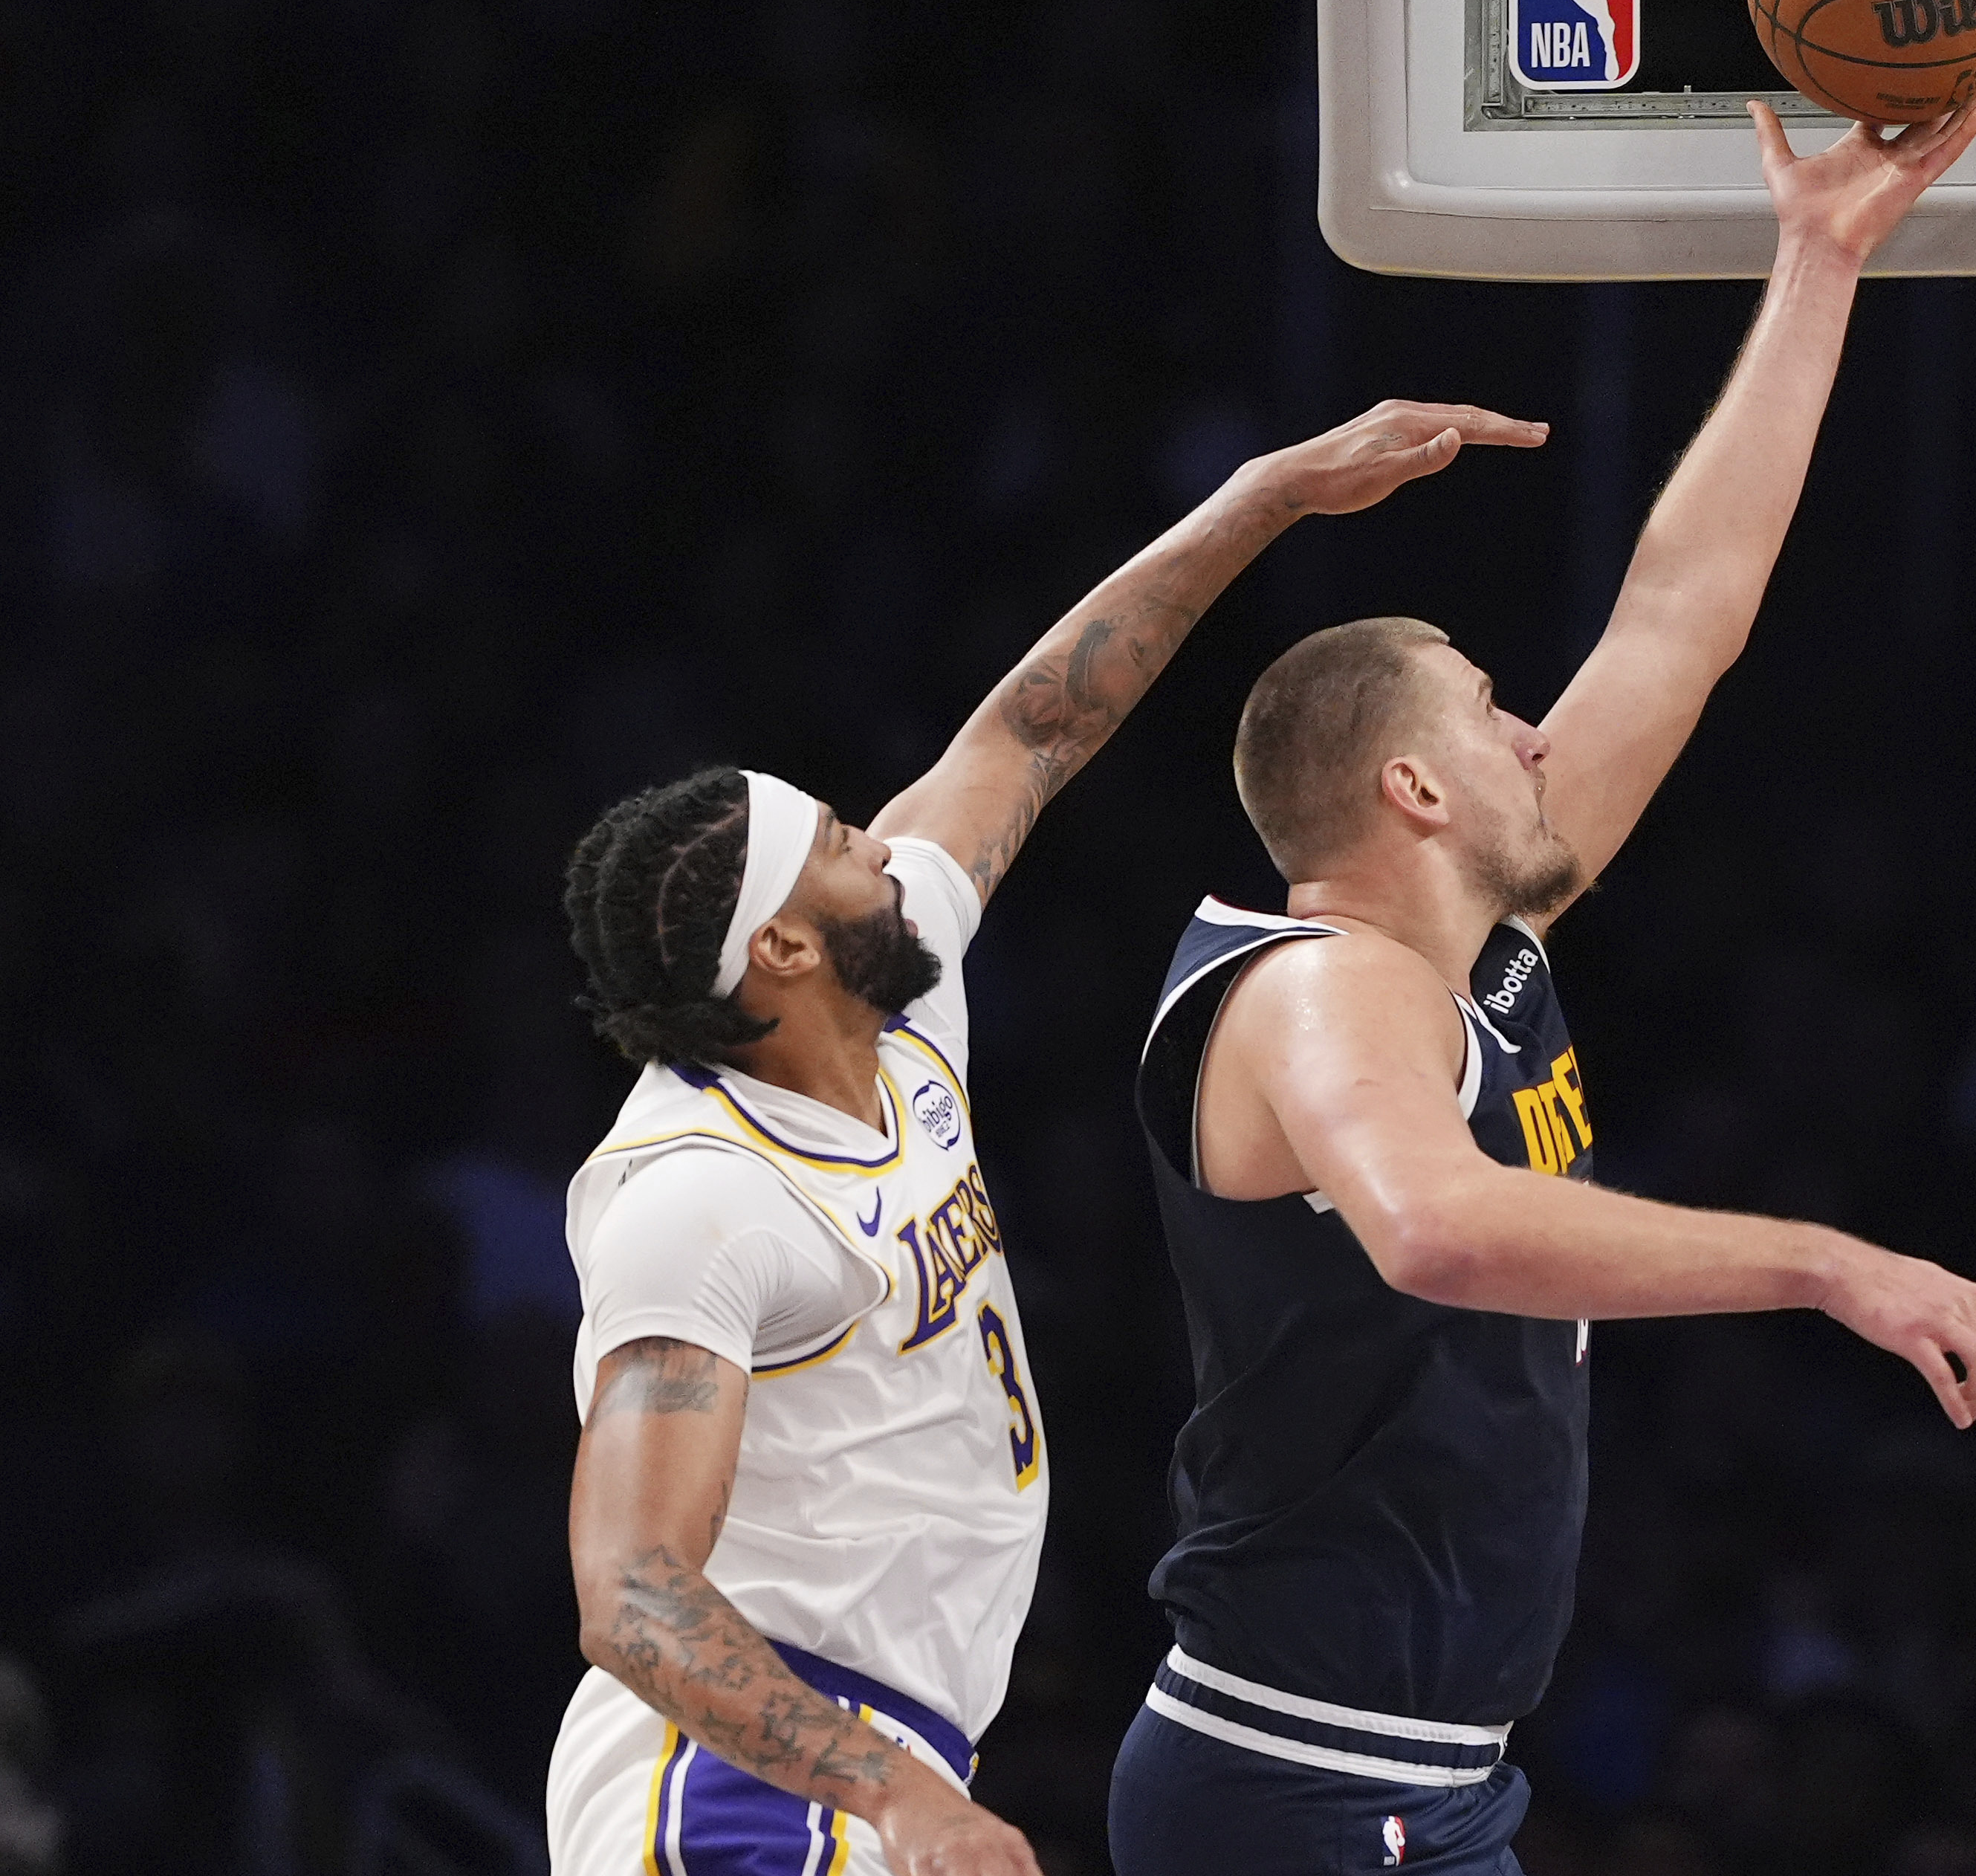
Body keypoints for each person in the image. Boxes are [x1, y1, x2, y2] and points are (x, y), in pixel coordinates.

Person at [1107, 94, 1976, 1876]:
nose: (1533, 725)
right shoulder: (1317, 986)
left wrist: (1818, 258)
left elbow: (1679, 615)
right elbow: (1437, 1228)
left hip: (1420, 1767)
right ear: (1408, 788)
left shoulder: (1476, 948)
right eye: (1488, 708)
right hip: (1301, 1772)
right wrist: (1822, 1259)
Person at [544, 398, 1546, 1876]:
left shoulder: (898, 991)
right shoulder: (695, 1200)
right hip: (737, 1790)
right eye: (838, 847)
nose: (883, 843)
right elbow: (632, 1591)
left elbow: (1037, 721)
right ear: (783, 955)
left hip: (881, 1754)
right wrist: (894, 1794)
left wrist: (1263, 499)